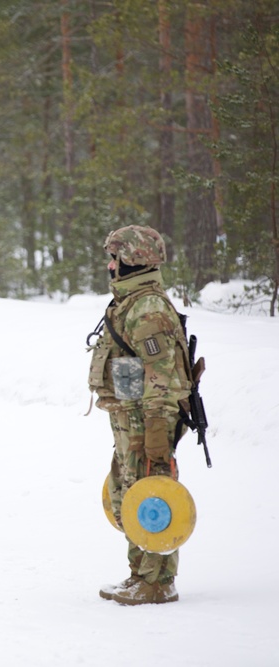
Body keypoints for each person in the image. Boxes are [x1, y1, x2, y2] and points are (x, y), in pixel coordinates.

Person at [87, 225, 192, 605]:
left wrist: (156, 430)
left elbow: (161, 373)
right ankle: (139, 575)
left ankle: (158, 581)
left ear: (133, 260)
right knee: (129, 492)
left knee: (152, 493)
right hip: (130, 418)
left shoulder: (147, 308)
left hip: (147, 421)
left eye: (115, 257)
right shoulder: (130, 302)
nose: (110, 265)